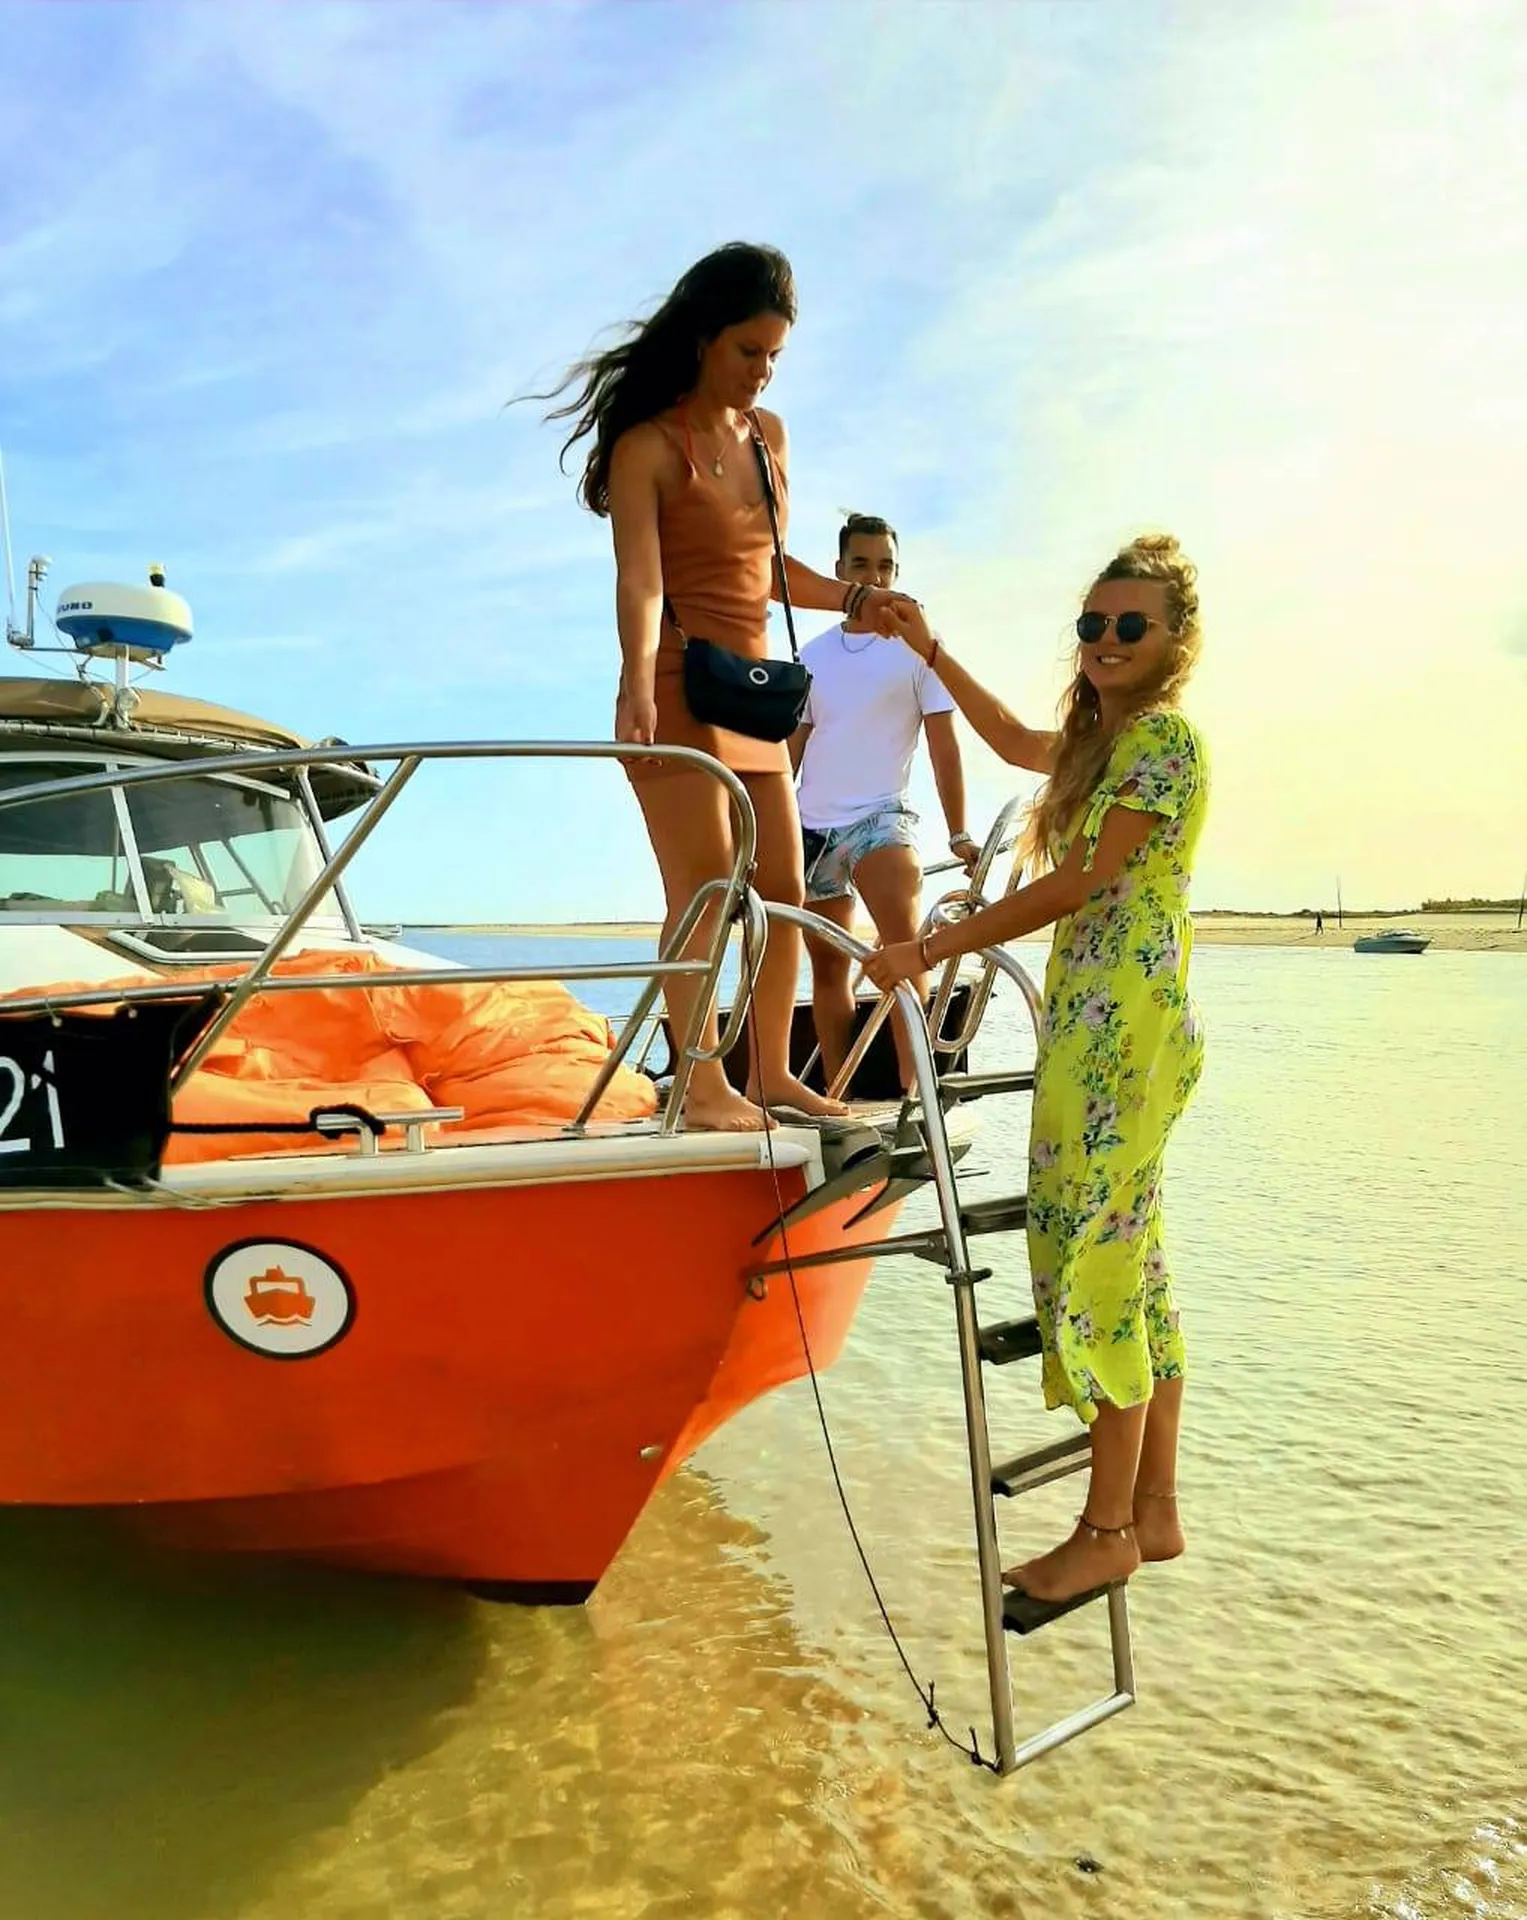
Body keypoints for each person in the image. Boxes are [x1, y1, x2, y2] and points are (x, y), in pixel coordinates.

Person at [864, 533, 1208, 1606]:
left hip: (1123, 1036)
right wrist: (930, 650)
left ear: (1175, 641)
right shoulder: (1103, 743)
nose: (1106, 639)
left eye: (1130, 625)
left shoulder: (1164, 742)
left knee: (1090, 1261)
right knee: (1131, 1260)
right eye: (1093, 623)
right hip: (1106, 1029)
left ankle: (1104, 1530)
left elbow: (1082, 883)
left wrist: (929, 947)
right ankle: (1153, 1508)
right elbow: (1015, 739)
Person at [541, 244, 912, 1131]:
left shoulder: (767, 438)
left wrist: (857, 599)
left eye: (774, 356)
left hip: (752, 695)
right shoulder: (647, 445)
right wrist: (636, 680)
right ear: (704, 337)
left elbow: (767, 568)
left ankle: (771, 1076)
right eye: (749, 351)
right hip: (675, 681)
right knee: (706, 887)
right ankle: (703, 1085)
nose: (761, 371)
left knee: (782, 891)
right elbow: (641, 580)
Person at [789, 513, 978, 1091]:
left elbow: (945, 747)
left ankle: (915, 1093)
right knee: (828, 971)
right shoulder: (813, 655)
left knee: (904, 951)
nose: (875, 577)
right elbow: (792, 748)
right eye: (862, 565)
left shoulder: (920, 652)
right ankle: (836, 1096)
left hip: (881, 820)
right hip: (812, 828)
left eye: (886, 566)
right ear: (840, 570)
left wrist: (959, 833)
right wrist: (762, 832)